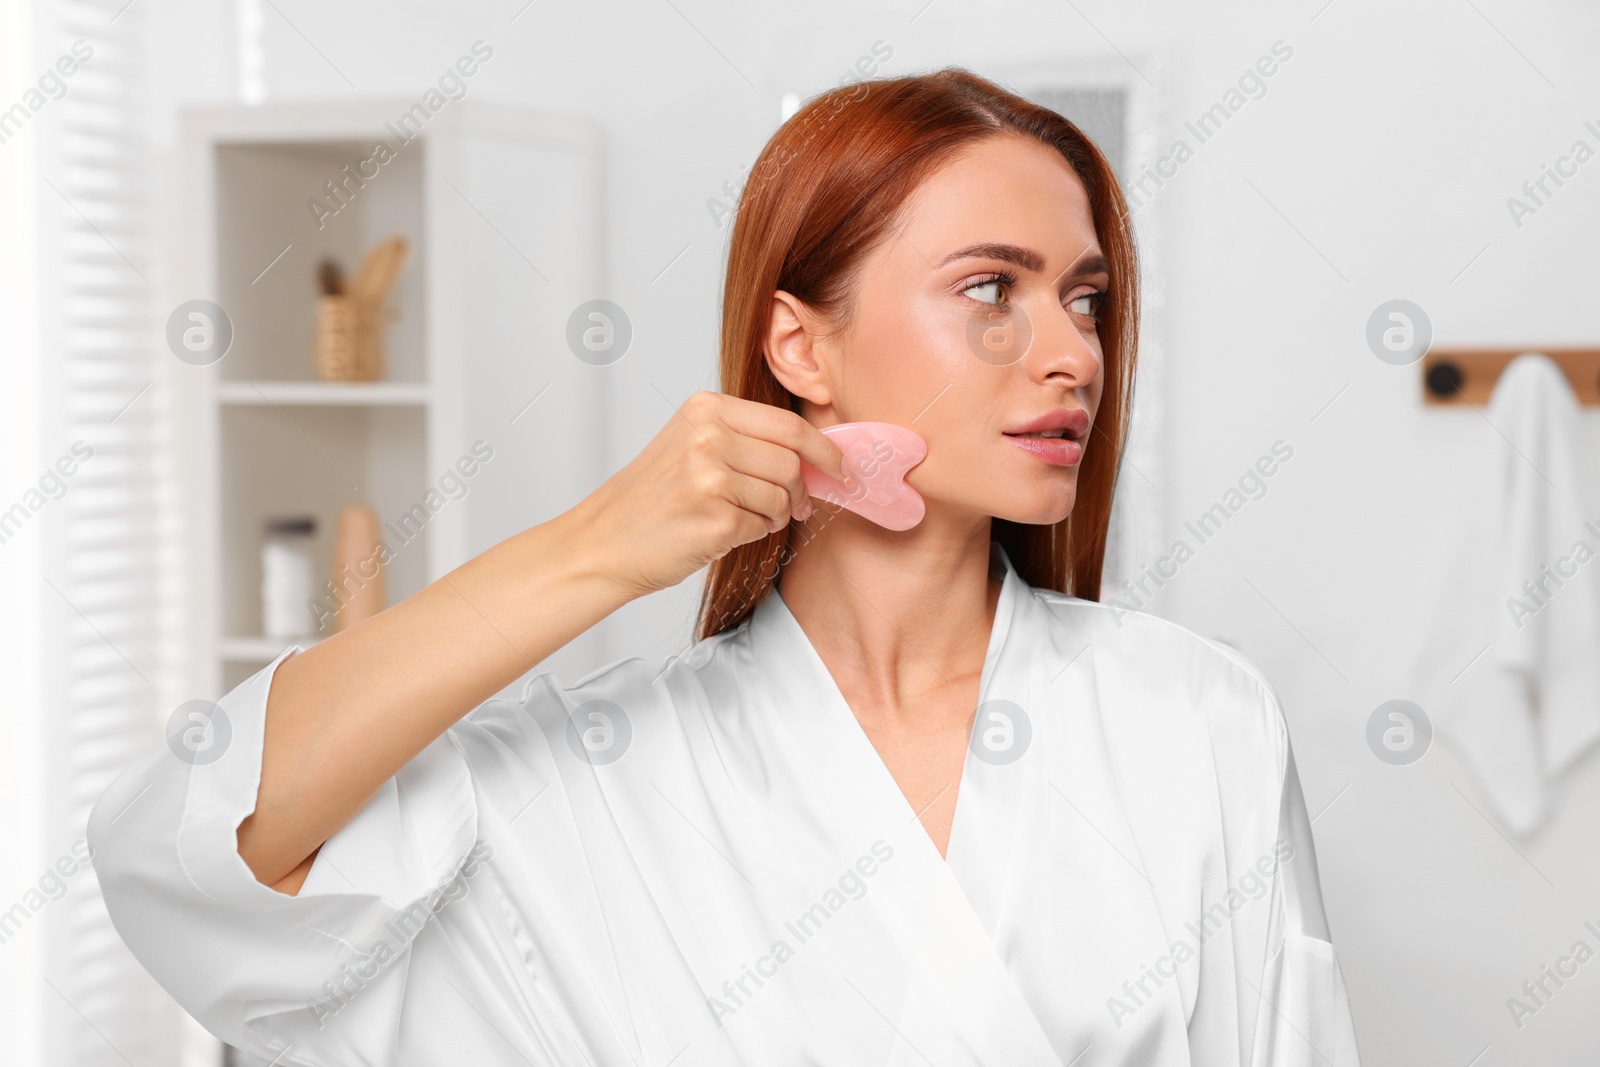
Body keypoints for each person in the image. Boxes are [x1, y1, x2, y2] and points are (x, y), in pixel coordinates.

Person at [89, 69, 1361, 1066]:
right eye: (991, 289)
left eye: (1084, 299)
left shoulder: (1194, 718)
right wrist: (596, 546)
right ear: (799, 349)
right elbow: (194, 850)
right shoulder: (596, 780)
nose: (1072, 354)